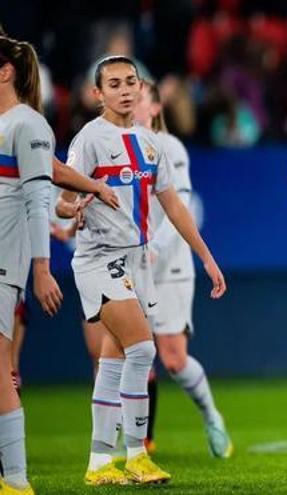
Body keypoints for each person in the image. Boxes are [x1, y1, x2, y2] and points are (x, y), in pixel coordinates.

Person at [58, 55, 226, 486]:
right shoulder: (90, 139)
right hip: (99, 258)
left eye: (131, 81)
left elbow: (174, 206)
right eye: (113, 84)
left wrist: (205, 256)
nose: (125, 90)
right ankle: (136, 454)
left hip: (136, 260)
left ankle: (99, 463)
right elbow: (61, 198)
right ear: (98, 94)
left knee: (112, 359)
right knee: (143, 349)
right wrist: (71, 207)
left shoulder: (150, 145)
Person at [134, 79, 233, 458]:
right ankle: (136, 442)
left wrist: (156, 248)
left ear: (156, 108)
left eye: (139, 97)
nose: (130, 101)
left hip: (169, 265)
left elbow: (182, 203)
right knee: (133, 353)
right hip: (130, 264)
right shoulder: (113, 144)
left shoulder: (169, 147)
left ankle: (211, 415)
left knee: (173, 359)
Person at [0, 34, 63, 495]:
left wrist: (41, 269)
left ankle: (17, 481)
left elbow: (40, 200)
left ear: (5, 72)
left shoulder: (28, 124)